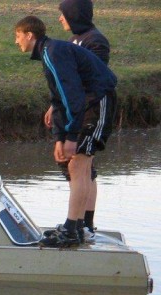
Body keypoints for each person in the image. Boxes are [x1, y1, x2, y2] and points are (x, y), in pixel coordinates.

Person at [14, 16, 117, 247]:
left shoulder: (53, 51)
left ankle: (74, 230)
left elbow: (72, 97)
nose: (16, 41)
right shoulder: (49, 52)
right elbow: (58, 98)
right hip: (88, 103)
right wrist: (59, 138)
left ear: (29, 35)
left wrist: (71, 137)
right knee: (75, 165)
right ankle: (76, 227)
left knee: (79, 164)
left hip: (99, 101)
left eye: (17, 35)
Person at [43, 0, 111, 240]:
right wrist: (56, 104)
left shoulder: (96, 40)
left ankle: (81, 225)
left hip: (93, 106)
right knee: (82, 167)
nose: (60, 19)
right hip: (78, 106)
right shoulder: (73, 40)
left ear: (74, 14)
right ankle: (81, 223)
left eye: (63, 15)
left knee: (80, 165)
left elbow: (93, 78)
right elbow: (68, 79)